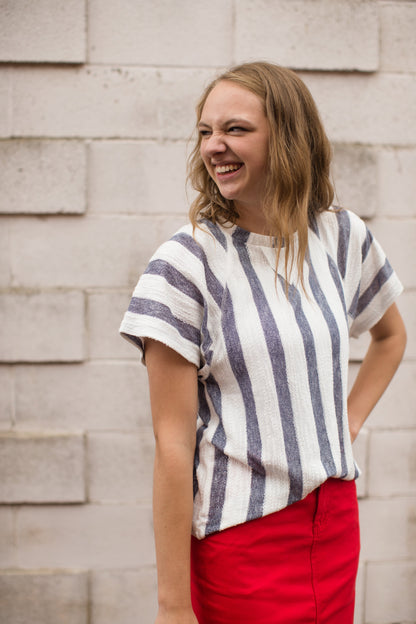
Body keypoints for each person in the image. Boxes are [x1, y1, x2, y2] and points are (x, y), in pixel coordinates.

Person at [119, 62, 406, 624]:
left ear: (289, 136)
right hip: (243, 545)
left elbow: (391, 336)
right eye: (205, 131)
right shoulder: (183, 264)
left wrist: (342, 424)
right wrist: (173, 607)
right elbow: (173, 448)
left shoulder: (340, 235)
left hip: (335, 526)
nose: (214, 146)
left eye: (236, 129)